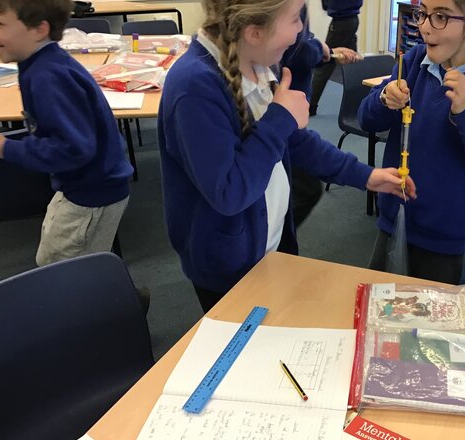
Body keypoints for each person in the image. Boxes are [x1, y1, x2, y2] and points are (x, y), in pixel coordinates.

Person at [158, 0, 416, 312]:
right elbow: (229, 191)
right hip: (228, 267)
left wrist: (366, 176)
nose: (300, 32)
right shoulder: (194, 87)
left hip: (269, 244)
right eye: (295, 19)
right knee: (246, 337)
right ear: (254, 32)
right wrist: (280, 117)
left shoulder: (259, 62)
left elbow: (295, 143)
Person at [358, 0, 465, 284]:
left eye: (441, 17)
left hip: (444, 235)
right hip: (393, 216)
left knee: (431, 309)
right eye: (423, 14)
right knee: (378, 302)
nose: (424, 26)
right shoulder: (413, 62)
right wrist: (384, 99)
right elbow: (366, 120)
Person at [0, 0, 133, 266]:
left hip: (91, 193)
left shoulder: (48, 77)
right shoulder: (42, 64)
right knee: (55, 260)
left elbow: (73, 149)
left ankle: (107, 292)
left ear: (39, 29)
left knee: (62, 270)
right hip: (82, 184)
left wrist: (5, 148)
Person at [281, 6, 360, 227]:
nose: (300, 28)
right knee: (303, 188)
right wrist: (321, 48)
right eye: (295, 20)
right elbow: (298, 48)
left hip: (290, 119)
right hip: (287, 112)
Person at [309, 0, 362, 116]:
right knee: (352, 60)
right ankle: (360, 103)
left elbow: (326, 5)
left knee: (326, 61)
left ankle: (310, 105)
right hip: (352, 19)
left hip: (341, 21)